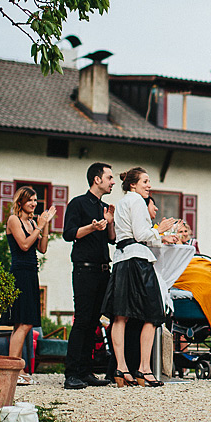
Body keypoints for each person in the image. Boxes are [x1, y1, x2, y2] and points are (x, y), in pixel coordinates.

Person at [102, 167, 177, 387]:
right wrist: (160, 229)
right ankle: (144, 368)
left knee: (121, 315)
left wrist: (162, 237)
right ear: (133, 184)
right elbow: (141, 234)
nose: (149, 185)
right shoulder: (136, 202)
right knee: (152, 315)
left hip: (123, 259)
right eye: (145, 181)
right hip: (136, 260)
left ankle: (121, 367)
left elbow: (131, 234)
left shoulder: (125, 201)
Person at [61, 162, 117, 390]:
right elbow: (68, 234)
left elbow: (112, 239)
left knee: (94, 322)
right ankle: (71, 373)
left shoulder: (105, 207)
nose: (113, 182)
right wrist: (91, 228)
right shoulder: (78, 203)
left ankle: (86, 372)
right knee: (82, 320)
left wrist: (110, 223)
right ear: (97, 179)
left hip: (103, 269)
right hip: (84, 269)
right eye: (109, 177)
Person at [4, 186, 55, 386]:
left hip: (32, 272)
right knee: (24, 322)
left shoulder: (32, 222)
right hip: (19, 273)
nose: (34, 203)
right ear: (20, 203)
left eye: (35, 200)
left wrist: (45, 225)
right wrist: (39, 227)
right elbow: (24, 245)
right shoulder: (13, 220)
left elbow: (41, 248)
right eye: (30, 200)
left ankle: (19, 369)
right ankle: (14, 368)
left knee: (23, 323)